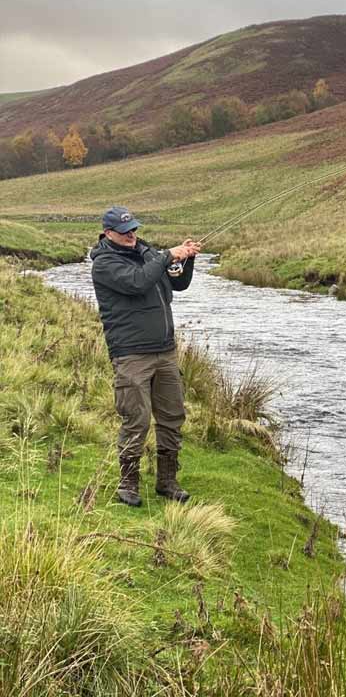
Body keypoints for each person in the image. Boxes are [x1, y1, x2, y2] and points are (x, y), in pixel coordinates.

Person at [90, 206, 201, 507]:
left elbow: (177, 283)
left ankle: (167, 481)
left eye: (134, 229)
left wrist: (186, 260)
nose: (131, 236)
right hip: (131, 355)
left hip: (165, 351)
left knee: (172, 416)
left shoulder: (147, 252)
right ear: (108, 232)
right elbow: (137, 282)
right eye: (125, 232)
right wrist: (168, 255)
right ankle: (128, 484)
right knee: (135, 419)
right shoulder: (105, 264)